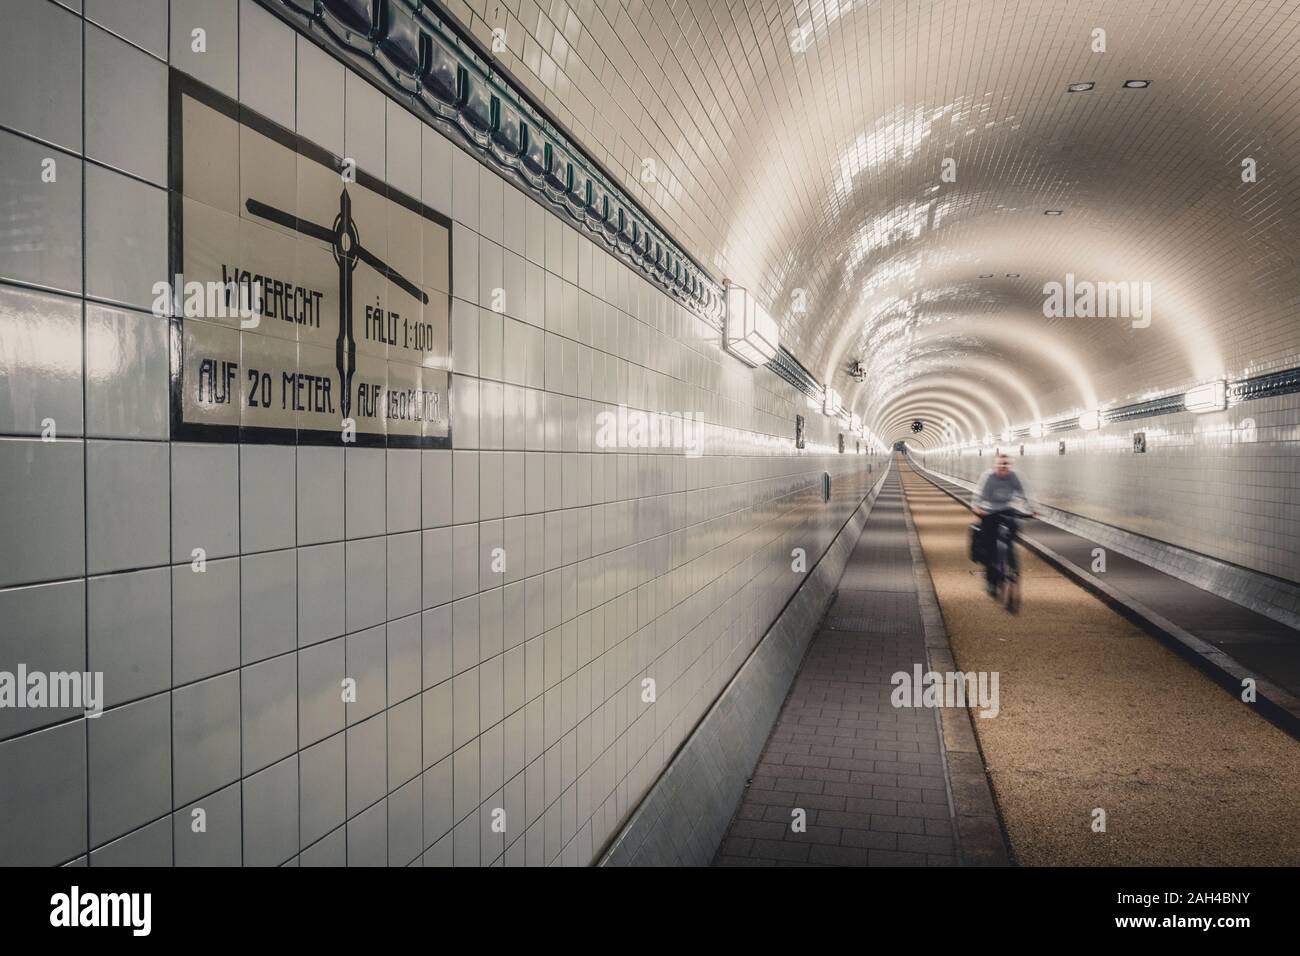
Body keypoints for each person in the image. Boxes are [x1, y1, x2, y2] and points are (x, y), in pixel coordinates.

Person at [973, 454, 1035, 596]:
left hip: (1008, 510)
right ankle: (990, 581)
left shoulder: (1015, 476)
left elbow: (1026, 493)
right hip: (989, 511)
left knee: (1011, 537)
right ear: (996, 465)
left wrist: (1032, 508)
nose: (1003, 466)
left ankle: (1010, 559)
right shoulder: (988, 477)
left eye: (1006, 464)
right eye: (1001, 464)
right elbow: (978, 495)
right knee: (990, 547)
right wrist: (977, 507)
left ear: (1010, 465)